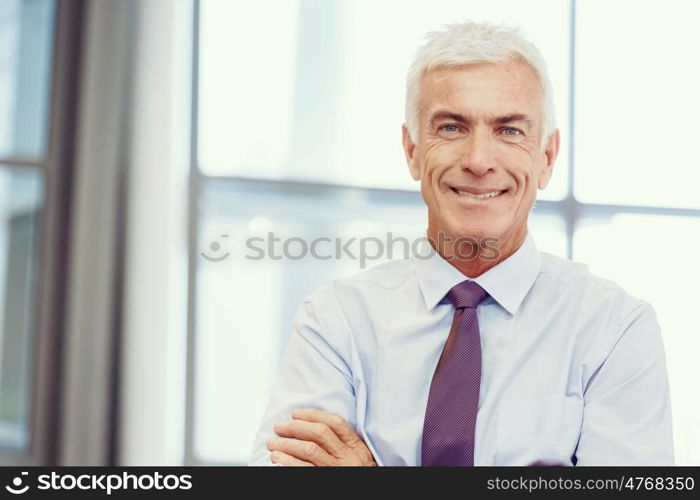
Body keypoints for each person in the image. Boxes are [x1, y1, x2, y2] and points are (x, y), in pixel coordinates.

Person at [248, 21, 674, 466]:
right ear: (412, 150)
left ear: (546, 158)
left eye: (509, 130)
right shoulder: (336, 323)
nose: (478, 161)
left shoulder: (615, 330)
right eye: (452, 127)